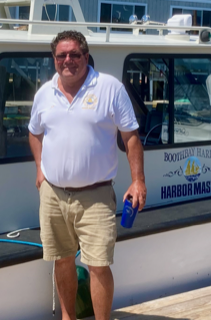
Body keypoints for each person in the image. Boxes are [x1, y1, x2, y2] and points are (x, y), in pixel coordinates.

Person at [28, 30, 146, 320]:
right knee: (63, 261)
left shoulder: (109, 88)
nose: (68, 60)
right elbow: (34, 133)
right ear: (54, 59)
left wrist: (138, 180)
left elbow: (130, 138)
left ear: (86, 56)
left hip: (96, 195)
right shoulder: (44, 93)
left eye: (74, 54)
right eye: (61, 55)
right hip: (54, 195)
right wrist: (40, 171)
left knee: (98, 266)